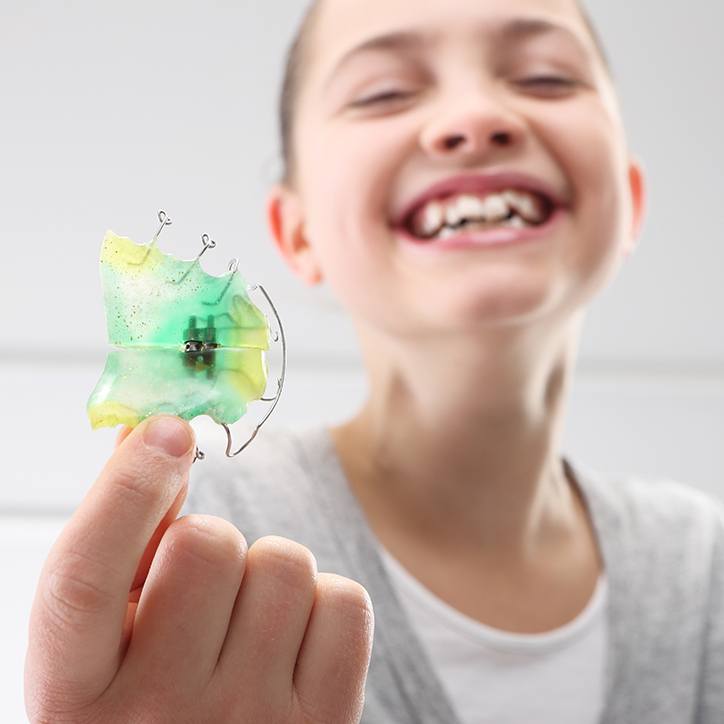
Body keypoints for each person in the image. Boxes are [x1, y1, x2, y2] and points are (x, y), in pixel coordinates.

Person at [24, 1, 724, 722]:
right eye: (383, 92)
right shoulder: (198, 538)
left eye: (547, 79)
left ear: (632, 201)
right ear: (296, 235)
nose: (475, 116)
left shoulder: (702, 568)